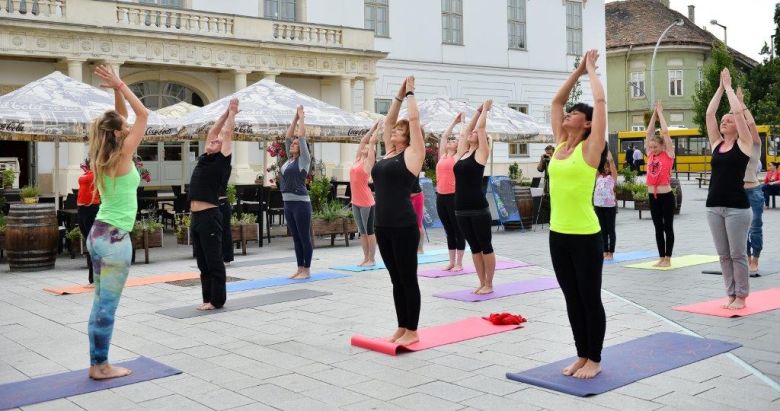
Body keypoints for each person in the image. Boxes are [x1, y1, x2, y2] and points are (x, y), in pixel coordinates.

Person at [86, 64, 148, 379]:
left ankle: (98, 361)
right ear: (117, 133)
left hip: (98, 233)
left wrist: (115, 92)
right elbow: (144, 116)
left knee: (99, 302)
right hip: (113, 240)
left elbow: (123, 117)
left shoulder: (103, 154)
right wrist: (122, 84)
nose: (127, 126)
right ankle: (101, 366)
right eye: (122, 125)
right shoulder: (123, 154)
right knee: (106, 306)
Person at [548, 49, 607, 379]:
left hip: (586, 236)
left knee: (589, 298)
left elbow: (600, 105)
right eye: (568, 114)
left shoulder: (590, 147)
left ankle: (595, 359)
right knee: (572, 298)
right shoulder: (559, 144)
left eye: (574, 113)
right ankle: (581, 355)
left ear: (585, 124)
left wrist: (592, 72)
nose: (567, 114)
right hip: (558, 235)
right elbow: (557, 103)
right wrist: (577, 73)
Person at [372, 75, 425, 346]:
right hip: (382, 224)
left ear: (407, 137)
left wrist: (411, 94)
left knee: (407, 278)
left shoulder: (413, 154)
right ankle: (401, 325)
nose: (393, 132)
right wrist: (398, 94)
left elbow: (413, 122)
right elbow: (388, 120)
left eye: (398, 132)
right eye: (393, 132)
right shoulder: (388, 154)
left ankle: (412, 329)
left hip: (404, 225)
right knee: (395, 280)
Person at [705, 68, 754, 310]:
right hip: (714, 206)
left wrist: (730, 89)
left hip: (737, 208)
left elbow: (736, 110)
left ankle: (741, 297)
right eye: (723, 121)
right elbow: (710, 113)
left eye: (729, 120)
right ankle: (730, 294)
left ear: (739, 125)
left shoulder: (744, 144)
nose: (724, 121)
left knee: (737, 254)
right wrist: (719, 88)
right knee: (723, 256)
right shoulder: (716, 143)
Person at [189, 98, 238, 311]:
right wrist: (224, 113)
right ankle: (206, 298)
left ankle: (217, 300)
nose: (213, 141)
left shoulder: (221, 160)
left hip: (210, 215)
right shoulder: (204, 158)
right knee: (202, 262)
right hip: (196, 217)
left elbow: (226, 134)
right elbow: (213, 131)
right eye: (212, 140)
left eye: (217, 142)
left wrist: (233, 115)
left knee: (213, 260)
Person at [454, 100, 495, 294]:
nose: (470, 134)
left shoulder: (481, 153)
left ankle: (489, 283)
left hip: (478, 207)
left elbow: (479, 128)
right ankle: (481, 282)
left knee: (485, 246)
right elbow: (468, 129)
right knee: (474, 248)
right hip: (460, 208)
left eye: (475, 134)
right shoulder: (462, 153)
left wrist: (485, 111)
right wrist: (477, 111)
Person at [735, 87, 764, 276]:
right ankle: (745, 257)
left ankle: (755, 258)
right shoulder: (736, 145)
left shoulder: (755, 145)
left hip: (753, 191)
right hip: (737, 192)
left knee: (755, 227)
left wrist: (741, 103)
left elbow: (752, 124)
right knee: (740, 229)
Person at [281, 105, 313, 279]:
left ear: (301, 148)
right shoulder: (288, 160)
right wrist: (294, 118)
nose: (292, 144)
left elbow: (301, 137)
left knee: (304, 237)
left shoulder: (304, 161)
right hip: (288, 203)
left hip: (301, 204)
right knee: (295, 237)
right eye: (292, 144)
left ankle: (307, 270)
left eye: (295, 144)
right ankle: (300, 267)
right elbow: (288, 136)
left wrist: (302, 118)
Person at [644, 101, 676, 267]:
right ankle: (661, 257)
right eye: (651, 147)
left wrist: (661, 114)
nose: (653, 148)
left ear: (662, 145)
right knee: (657, 227)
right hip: (653, 195)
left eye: (655, 146)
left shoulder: (668, 154)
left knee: (667, 226)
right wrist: (653, 116)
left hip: (666, 196)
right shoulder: (650, 155)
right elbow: (649, 133)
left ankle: (668, 258)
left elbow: (665, 133)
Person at [436, 113, 466, 271]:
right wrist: (454, 121)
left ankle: (460, 263)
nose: (450, 141)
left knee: (458, 229)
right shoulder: (442, 156)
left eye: (453, 141)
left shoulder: (457, 157)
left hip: (454, 196)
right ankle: (451, 261)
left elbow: (462, 136)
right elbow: (444, 136)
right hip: (440, 196)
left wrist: (462, 123)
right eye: (450, 140)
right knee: (448, 229)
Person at [350, 118, 382, 266]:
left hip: (366, 201)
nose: (364, 147)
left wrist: (378, 129)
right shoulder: (357, 159)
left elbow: (371, 142)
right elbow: (364, 140)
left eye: (368, 149)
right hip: (355, 201)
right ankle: (365, 258)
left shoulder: (367, 163)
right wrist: (372, 126)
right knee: (361, 232)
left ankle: (372, 259)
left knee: (369, 231)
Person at [77, 158, 100, 285]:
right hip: (81, 209)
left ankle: (95, 277)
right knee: (89, 243)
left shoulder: (97, 173)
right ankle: (93, 277)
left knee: (93, 244)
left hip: (91, 208)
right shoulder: (87, 173)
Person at [594, 152, 617, 261]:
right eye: (604, 166)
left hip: (609, 206)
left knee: (610, 229)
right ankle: (604, 250)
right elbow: (595, 164)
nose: (606, 168)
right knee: (602, 229)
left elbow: (611, 162)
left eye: (608, 167)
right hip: (598, 205)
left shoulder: (613, 177)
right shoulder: (598, 176)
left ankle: (610, 252)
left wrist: (607, 152)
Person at [411, 176, 425, 254]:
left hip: (416, 196)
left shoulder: (413, 165)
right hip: (404, 197)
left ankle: (420, 248)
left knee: (418, 224)